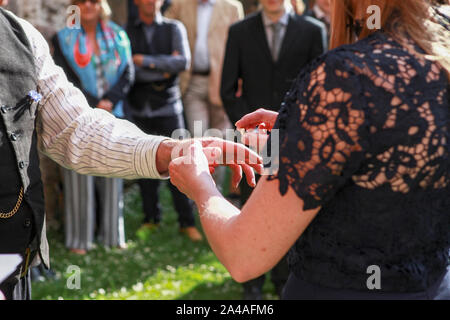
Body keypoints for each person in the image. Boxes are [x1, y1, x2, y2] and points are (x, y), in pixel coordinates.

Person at [169, 0, 450, 299]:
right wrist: (311, 133)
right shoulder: (438, 54)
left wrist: (200, 184)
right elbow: (401, 140)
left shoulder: (349, 76)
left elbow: (244, 255)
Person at [0, 5, 260, 299]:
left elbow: (73, 128)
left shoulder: (22, 35)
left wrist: (168, 150)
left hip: (14, 269)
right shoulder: (62, 37)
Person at [220, 0, 326, 299]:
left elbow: (318, 90)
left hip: (296, 137)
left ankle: (284, 279)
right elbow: (227, 89)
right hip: (253, 139)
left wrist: (293, 128)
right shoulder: (240, 31)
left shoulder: (312, 30)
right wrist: (251, 131)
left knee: (288, 207)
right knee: (253, 205)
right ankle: (251, 285)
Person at [51, 0, 134, 254]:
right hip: (79, 115)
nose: (88, 5)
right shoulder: (63, 38)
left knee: (113, 172)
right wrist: (96, 103)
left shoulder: (118, 34)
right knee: (78, 174)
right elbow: (66, 78)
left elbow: (128, 72)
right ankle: (79, 240)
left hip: (113, 113)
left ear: (101, 5)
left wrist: (110, 100)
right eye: (81, 1)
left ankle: (112, 236)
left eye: (93, 1)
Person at [126, 0, 202, 241]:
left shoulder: (174, 28)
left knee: (181, 162)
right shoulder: (126, 32)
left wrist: (143, 61)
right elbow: (126, 69)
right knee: (144, 165)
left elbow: (182, 63)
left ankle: (186, 222)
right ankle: (151, 219)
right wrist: (163, 66)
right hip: (139, 108)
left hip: (169, 107)